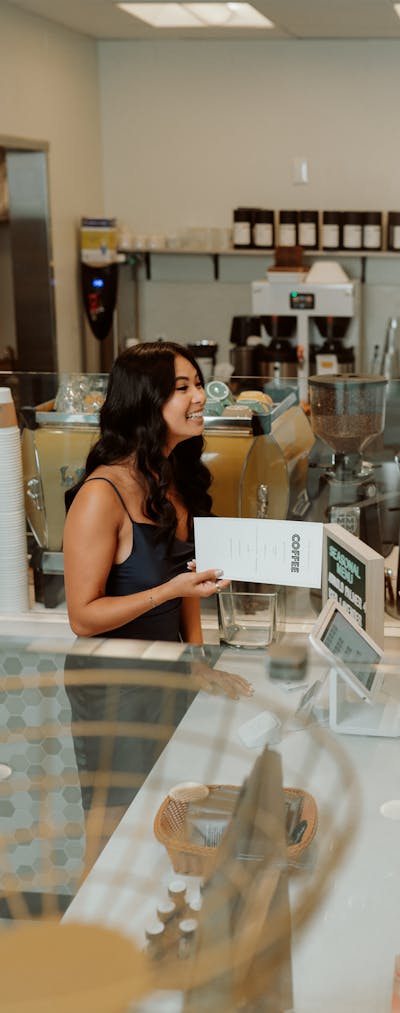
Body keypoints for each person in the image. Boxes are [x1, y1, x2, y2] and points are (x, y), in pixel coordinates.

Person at [63, 341, 252, 871]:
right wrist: (167, 593)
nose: (200, 398)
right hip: (113, 686)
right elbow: (83, 616)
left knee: (172, 817)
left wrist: (198, 661)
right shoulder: (102, 494)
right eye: (183, 388)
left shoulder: (172, 480)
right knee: (113, 828)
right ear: (147, 402)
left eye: (198, 384)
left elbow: (188, 579)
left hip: (167, 674)